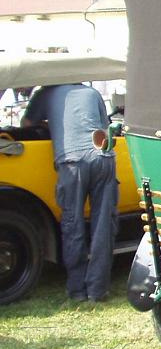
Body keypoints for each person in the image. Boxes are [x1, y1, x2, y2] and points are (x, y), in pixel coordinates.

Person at [22, 84, 118, 302]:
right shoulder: (92, 92)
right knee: (103, 225)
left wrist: (52, 124)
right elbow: (104, 128)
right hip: (103, 157)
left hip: (72, 161)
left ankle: (77, 290)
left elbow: (26, 124)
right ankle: (98, 290)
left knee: (72, 223)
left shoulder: (44, 93)